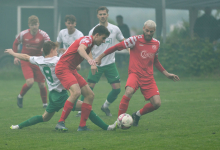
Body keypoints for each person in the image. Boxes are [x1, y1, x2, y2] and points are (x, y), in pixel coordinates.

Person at [6, 41, 117, 131]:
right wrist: (67, 55)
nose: (56, 51)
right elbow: (76, 67)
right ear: (51, 50)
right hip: (61, 96)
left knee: (44, 118)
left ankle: (18, 126)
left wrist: (12, 53)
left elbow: (25, 56)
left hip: (53, 96)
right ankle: (106, 127)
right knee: (86, 107)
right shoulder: (58, 60)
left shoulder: (39, 60)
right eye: (55, 50)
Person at [95, 20, 180, 126]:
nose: (149, 33)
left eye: (151, 32)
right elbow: (117, 47)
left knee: (157, 104)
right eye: (147, 30)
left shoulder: (156, 43)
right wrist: (100, 56)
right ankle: (119, 122)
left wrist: (167, 74)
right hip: (134, 74)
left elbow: (155, 61)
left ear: (154, 31)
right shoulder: (134, 40)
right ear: (144, 28)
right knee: (129, 91)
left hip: (148, 77)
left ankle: (137, 115)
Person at [55, 25, 111, 131]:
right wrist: (90, 61)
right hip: (63, 68)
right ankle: (60, 122)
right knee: (76, 92)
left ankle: (82, 126)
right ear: (97, 35)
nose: (104, 41)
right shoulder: (87, 39)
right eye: (103, 38)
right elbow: (81, 49)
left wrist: (92, 61)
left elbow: (85, 50)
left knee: (90, 95)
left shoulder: (90, 43)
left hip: (71, 69)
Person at [77, 6, 127, 117]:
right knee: (88, 88)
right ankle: (81, 110)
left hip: (110, 64)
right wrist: (91, 62)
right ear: (97, 16)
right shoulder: (93, 31)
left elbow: (123, 41)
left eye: (104, 14)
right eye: (100, 14)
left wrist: (131, 51)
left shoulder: (115, 29)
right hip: (96, 64)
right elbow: (88, 47)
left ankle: (105, 106)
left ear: (107, 15)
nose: (102, 16)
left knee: (117, 89)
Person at [12, 15, 50, 108]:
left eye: (36, 24)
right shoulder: (23, 34)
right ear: (29, 25)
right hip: (26, 59)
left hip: (38, 60)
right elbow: (15, 43)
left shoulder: (44, 35)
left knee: (41, 84)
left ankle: (45, 104)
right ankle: (20, 96)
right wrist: (15, 56)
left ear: (38, 24)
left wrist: (45, 50)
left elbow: (49, 45)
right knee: (30, 82)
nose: (34, 26)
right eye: (32, 25)